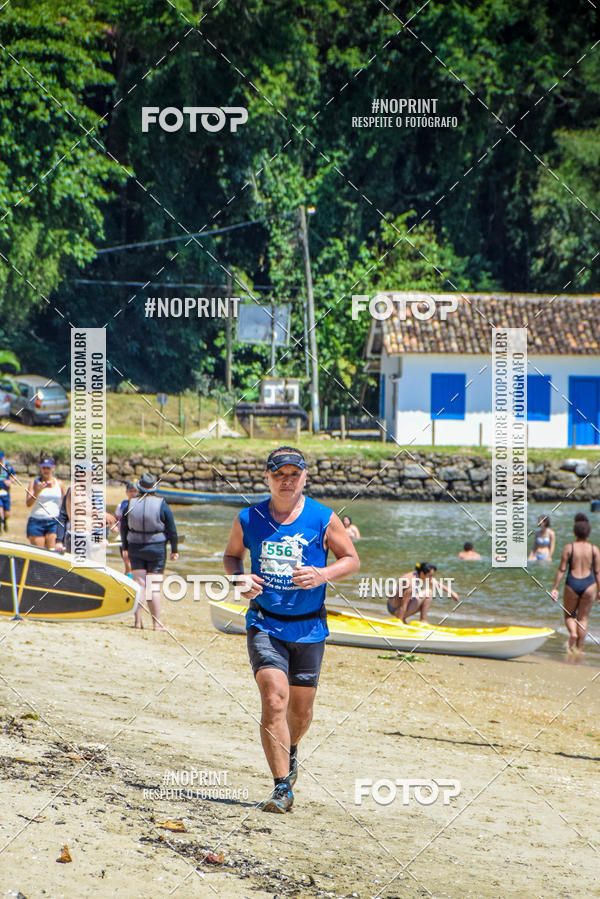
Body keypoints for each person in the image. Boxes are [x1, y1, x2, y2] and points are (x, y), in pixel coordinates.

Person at [223, 446, 360, 814]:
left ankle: (291, 749)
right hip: (265, 623)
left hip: (310, 628)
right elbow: (231, 556)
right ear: (267, 477)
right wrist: (239, 578)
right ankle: (282, 787)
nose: (287, 480)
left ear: (304, 477)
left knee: (300, 713)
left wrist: (323, 574)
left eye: (294, 474)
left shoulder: (322, 517)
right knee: (274, 701)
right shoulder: (248, 518)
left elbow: (351, 559)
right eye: (279, 474)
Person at [121, 473, 178, 630]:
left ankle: (137, 622)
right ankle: (156, 623)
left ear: (139, 487)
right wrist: (174, 549)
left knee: (139, 584)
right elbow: (171, 529)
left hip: (135, 547)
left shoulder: (130, 504)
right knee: (153, 586)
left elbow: (124, 528)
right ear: (154, 487)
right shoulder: (162, 504)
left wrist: (125, 547)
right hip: (156, 548)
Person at [551, 513, 600, 653]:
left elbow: (562, 569)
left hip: (572, 583)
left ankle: (572, 633)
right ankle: (578, 648)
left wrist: (555, 587)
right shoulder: (594, 549)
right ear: (588, 534)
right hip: (589, 584)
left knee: (569, 615)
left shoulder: (569, 548)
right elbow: (597, 572)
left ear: (574, 533)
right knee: (583, 619)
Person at [55, 463, 115, 556]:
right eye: (90, 474)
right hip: (78, 536)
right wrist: (102, 514)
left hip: (88, 536)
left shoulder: (91, 493)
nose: (93, 477)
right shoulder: (75, 488)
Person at [387, 562, 459, 624]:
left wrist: (452, 593)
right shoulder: (411, 584)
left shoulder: (416, 574)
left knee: (427, 592)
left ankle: (417, 620)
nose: (431, 578)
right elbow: (404, 604)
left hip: (393, 605)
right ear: (422, 573)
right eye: (430, 575)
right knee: (429, 592)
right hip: (396, 609)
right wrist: (399, 622)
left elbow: (435, 583)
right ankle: (421, 620)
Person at [25, 459, 65, 549]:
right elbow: (28, 503)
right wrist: (37, 492)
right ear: (40, 468)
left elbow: (66, 503)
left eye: (48, 468)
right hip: (36, 521)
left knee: (52, 552)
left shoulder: (60, 484)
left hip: (54, 521)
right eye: (43, 468)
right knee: (39, 554)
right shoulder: (34, 483)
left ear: (53, 468)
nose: (46, 470)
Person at [113, 481, 139, 574]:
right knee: (127, 564)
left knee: (135, 565)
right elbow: (115, 519)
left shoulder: (141, 505)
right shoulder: (121, 505)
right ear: (127, 492)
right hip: (123, 538)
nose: (132, 493)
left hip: (136, 538)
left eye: (135, 491)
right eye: (130, 491)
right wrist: (114, 527)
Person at [0, 450, 16, 532]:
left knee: (7, 513)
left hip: (5, 492)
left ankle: (5, 521)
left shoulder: (8, 467)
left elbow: (14, 476)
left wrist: (10, 481)